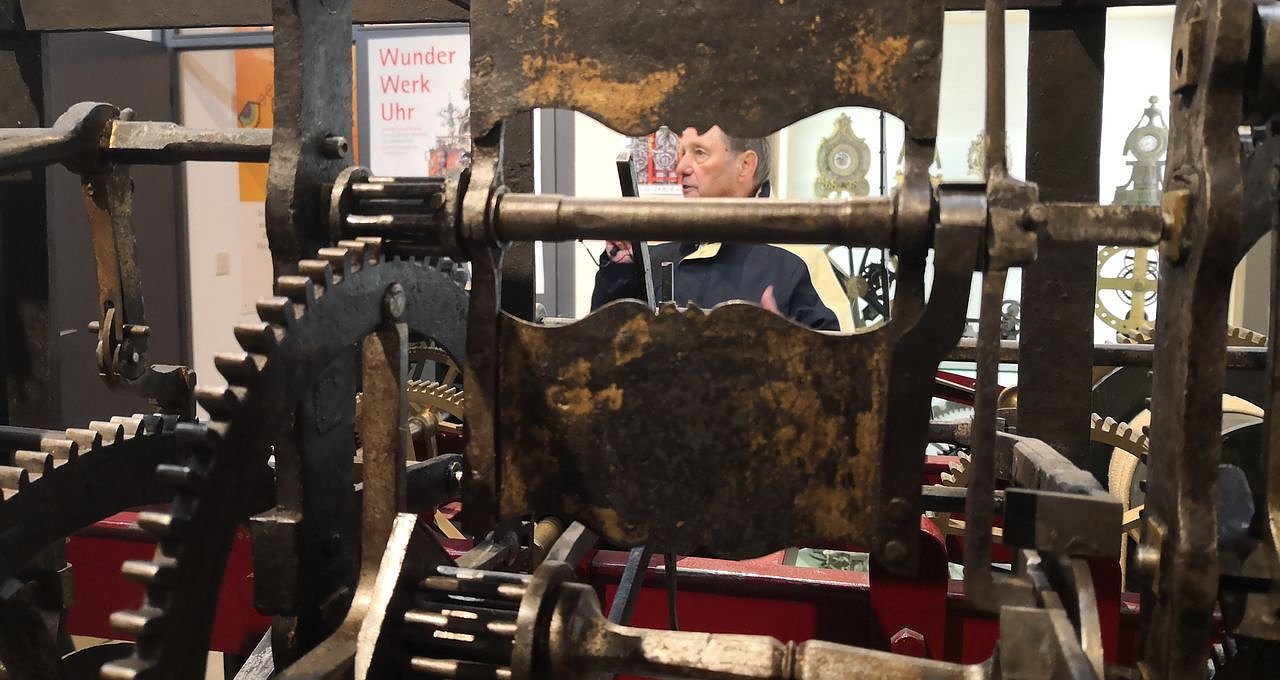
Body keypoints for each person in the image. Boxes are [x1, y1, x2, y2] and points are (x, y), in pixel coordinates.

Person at [591, 125, 853, 332]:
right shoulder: (653, 246)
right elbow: (603, 346)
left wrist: (784, 347)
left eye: (700, 153)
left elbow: (840, 368)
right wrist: (620, 272)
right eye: (682, 153)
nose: (681, 167)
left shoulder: (800, 259)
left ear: (745, 165)